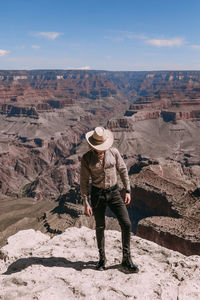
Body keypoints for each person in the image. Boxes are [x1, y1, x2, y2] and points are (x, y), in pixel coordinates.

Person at [80, 126, 139, 273]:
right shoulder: (87, 159)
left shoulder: (114, 152)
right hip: (97, 195)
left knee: (126, 223)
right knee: (100, 226)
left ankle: (126, 258)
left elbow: (123, 170)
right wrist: (86, 202)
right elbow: (84, 182)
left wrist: (128, 190)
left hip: (114, 193)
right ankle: (102, 259)